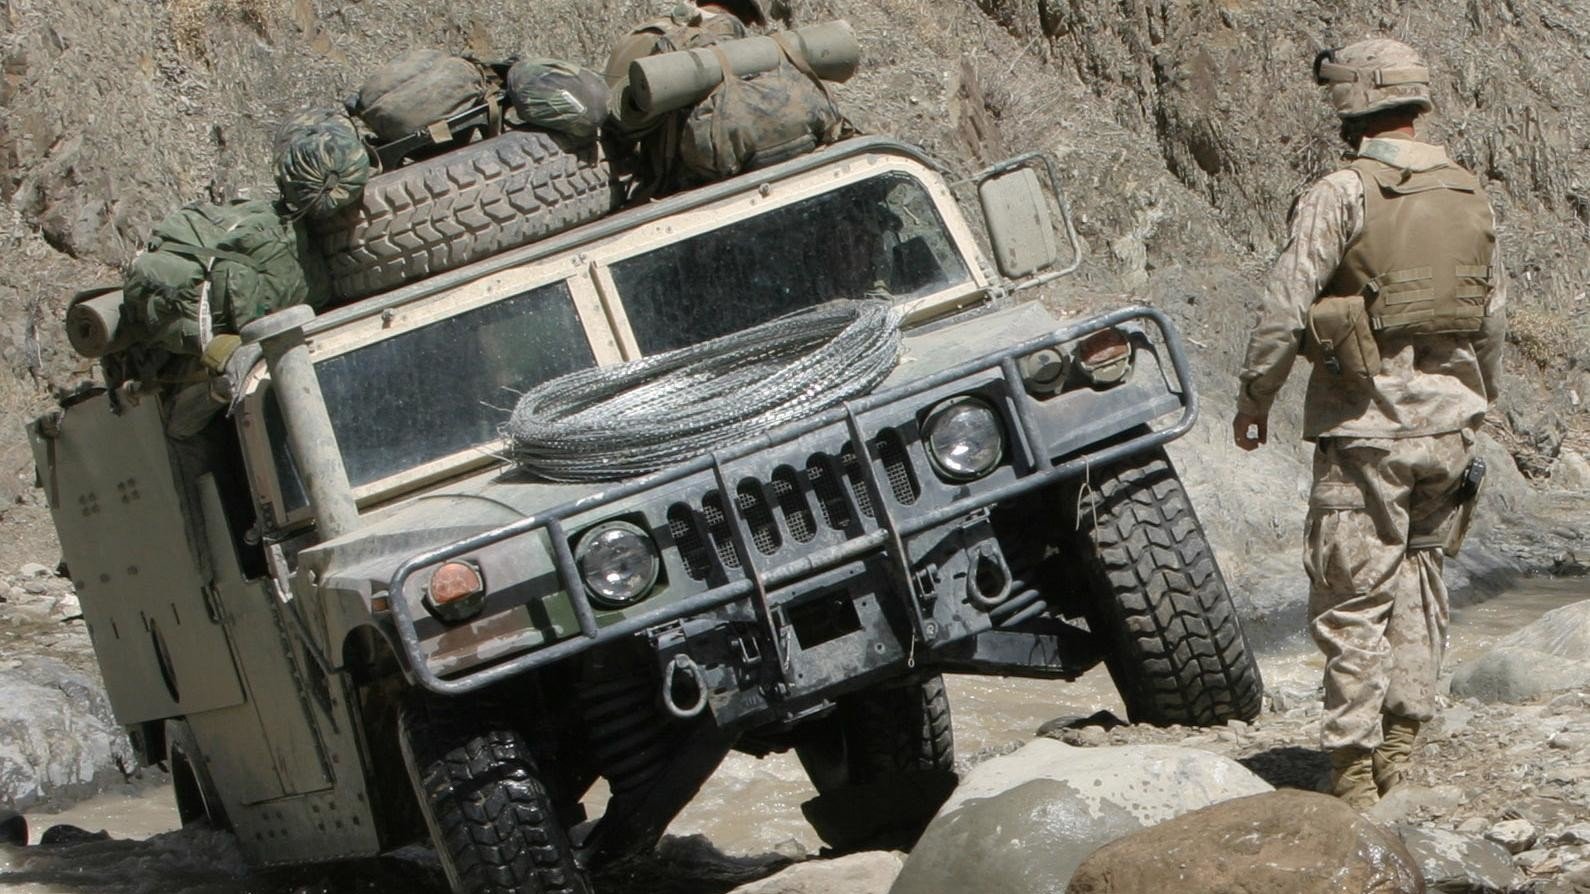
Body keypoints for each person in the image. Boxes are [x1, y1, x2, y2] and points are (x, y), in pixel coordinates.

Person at [1231, 38, 1506, 809]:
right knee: (1422, 575)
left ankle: (1353, 769)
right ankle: (1402, 744)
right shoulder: (1469, 194)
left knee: (1352, 595)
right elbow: (1492, 318)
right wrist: (1479, 399)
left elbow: (1286, 305)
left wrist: (1255, 398)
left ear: (1350, 103)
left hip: (1366, 429)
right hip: (1448, 428)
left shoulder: (1342, 191)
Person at [602, 0, 769, 199]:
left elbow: (615, 126)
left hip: (640, 175)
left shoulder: (641, 35)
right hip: (690, 182)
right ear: (746, 12)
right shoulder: (727, 37)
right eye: (750, 20)